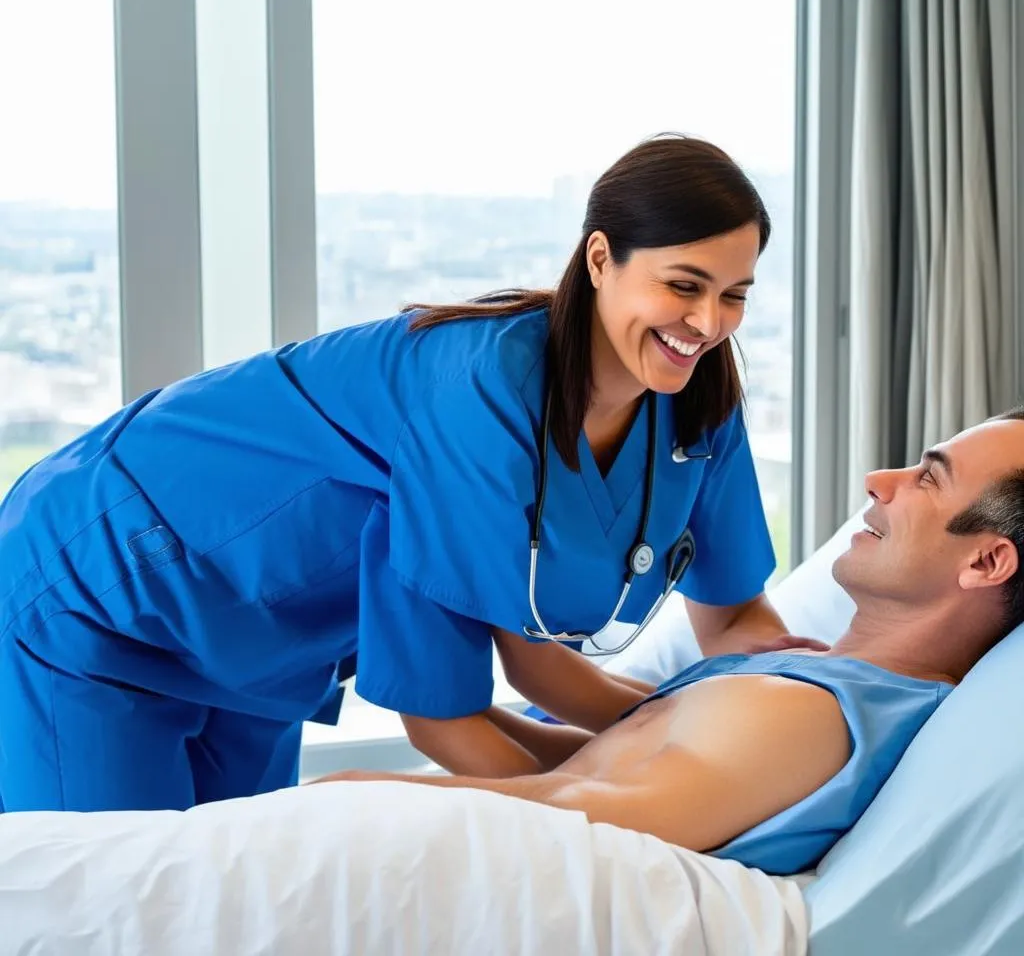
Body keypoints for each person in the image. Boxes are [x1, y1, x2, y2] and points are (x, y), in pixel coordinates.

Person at [0, 134, 807, 815]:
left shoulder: (698, 401)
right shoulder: (483, 391)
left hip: (263, 649)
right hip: (106, 590)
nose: (708, 324)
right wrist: (639, 787)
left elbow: (734, 620)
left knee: (226, 911)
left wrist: (793, 701)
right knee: (111, 909)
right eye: (684, 286)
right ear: (601, 258)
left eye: (735, 295)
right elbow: (446, 719)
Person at [316, 409, 1024, 875]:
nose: (879, 482)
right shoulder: (809, 677)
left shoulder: (809, 716)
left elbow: (588, 816)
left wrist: (353, 794)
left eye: (927, 479)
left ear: (987, 562)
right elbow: (609, 753)